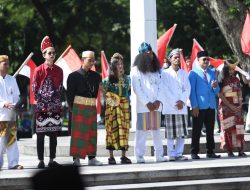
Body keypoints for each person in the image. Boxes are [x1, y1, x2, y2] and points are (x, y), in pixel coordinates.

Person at [131, 42, 167, 163]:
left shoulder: (157, 70)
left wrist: (158, 101)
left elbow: (161, 86)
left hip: (156, 106)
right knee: (141, 132)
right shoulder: (135, 70)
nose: (150, 55)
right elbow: (137, 89)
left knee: (156, 132)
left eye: (151, 52)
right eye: (147, 53)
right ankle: (139, 156)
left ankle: (159, 155)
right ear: (141, 55)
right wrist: (147, 103)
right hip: (144, 107)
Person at [67, 50, 102, 166]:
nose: (92, 63)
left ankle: (92, 158)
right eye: (89, 60)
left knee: (92, 133)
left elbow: (96, 92)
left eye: (93, 60)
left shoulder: (97, 76)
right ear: (83, 60)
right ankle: (76, 159)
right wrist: (72, 109)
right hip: (78, 107)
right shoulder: (73, 76)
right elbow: (70, 95)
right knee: (78, 134)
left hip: (91, 106)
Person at [33, 36, 63, 168]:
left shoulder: (59, 70)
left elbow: (60, 87)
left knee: (53, 135)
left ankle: (52, 160)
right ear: (44, 55)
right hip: (41, 107)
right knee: (40, 135)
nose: (52, 55)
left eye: (54, 53)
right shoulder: (38, 70)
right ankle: (40, 160)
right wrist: (43, 100)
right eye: (49, 53)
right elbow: (34, 88)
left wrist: (54, 101)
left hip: (55, 106)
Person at [159, 48, 190, 161]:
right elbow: (164, 90)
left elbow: (187, 88)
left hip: (181, 107)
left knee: (181, 133)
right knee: (171, 133)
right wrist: (175, 102)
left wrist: (182, 101)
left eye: (178, 57)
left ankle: (179, 153)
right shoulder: (165, 73)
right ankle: (171, 154)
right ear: (170, 59)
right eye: (175, 57)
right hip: (170, 107)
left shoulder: (183, 73)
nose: (177, 59)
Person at [189, 50, 221, 159]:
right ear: (198, 60)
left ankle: (210, 151)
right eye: (204, 59)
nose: (206, 61)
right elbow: (192, 91)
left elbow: (217, 91)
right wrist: (194, 106)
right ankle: (194, 152)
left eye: (208, 59)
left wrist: (215, 86)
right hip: (199, 106)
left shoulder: (212, 72)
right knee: (196, 130)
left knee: (210, 130)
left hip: (211, 105)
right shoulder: (193, 73)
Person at [101, 53, 131, 165]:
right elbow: (103, 92)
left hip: (124, 107)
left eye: (122, 63)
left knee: (124, 130)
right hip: (112, 108)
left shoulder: (127, 79)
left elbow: (127, 92)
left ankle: (124, 156)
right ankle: (111, 157)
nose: (121, 66)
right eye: (118, 64)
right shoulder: (107, 80)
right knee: (111, 130)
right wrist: (112, 99)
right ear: (113, 66)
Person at [218, 60, 247, 157]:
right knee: (228, 128)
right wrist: (230, 106)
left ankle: (240, 149)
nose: (232, 70)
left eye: (233, 68)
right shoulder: (221, 79)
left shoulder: (236, 79)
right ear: (226, 68)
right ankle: (229, 150)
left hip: (237, 105)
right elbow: (220, 95)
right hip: (226, 106)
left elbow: (239, 91)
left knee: (239, 127)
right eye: (230, 68)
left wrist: (240, 102)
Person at [0, 55, 23, 170]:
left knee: (12, 140)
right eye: (5, 64)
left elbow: (16, 96)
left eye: (8, 63)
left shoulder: (12, 79)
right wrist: (3, 104)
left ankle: (13, 163)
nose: (8, 66)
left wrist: (17, 105)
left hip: (11, 115)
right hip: (0, 115)